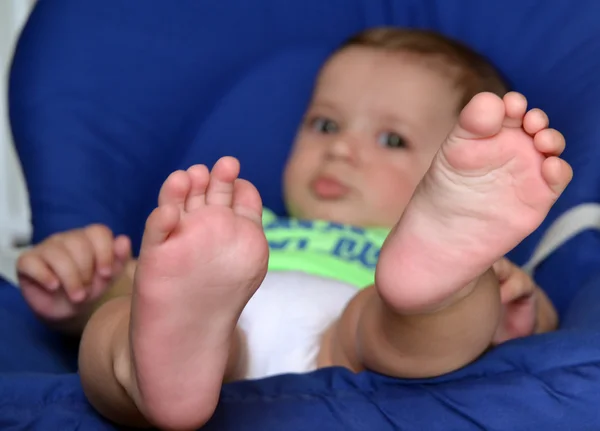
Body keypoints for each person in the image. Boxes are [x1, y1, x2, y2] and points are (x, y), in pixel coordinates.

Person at [17, 28, 570, 430]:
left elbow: (541, 328)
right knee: (123, 317)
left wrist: (516, 308)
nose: (341, 149)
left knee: (431, 310)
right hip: (218, 325)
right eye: (325, 124)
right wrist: (83, 288)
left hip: (356, 336)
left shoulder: (436, 253)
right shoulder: (233, 230)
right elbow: (126, 284)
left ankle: (436, 291)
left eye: (392, 139)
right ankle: (158, 368)